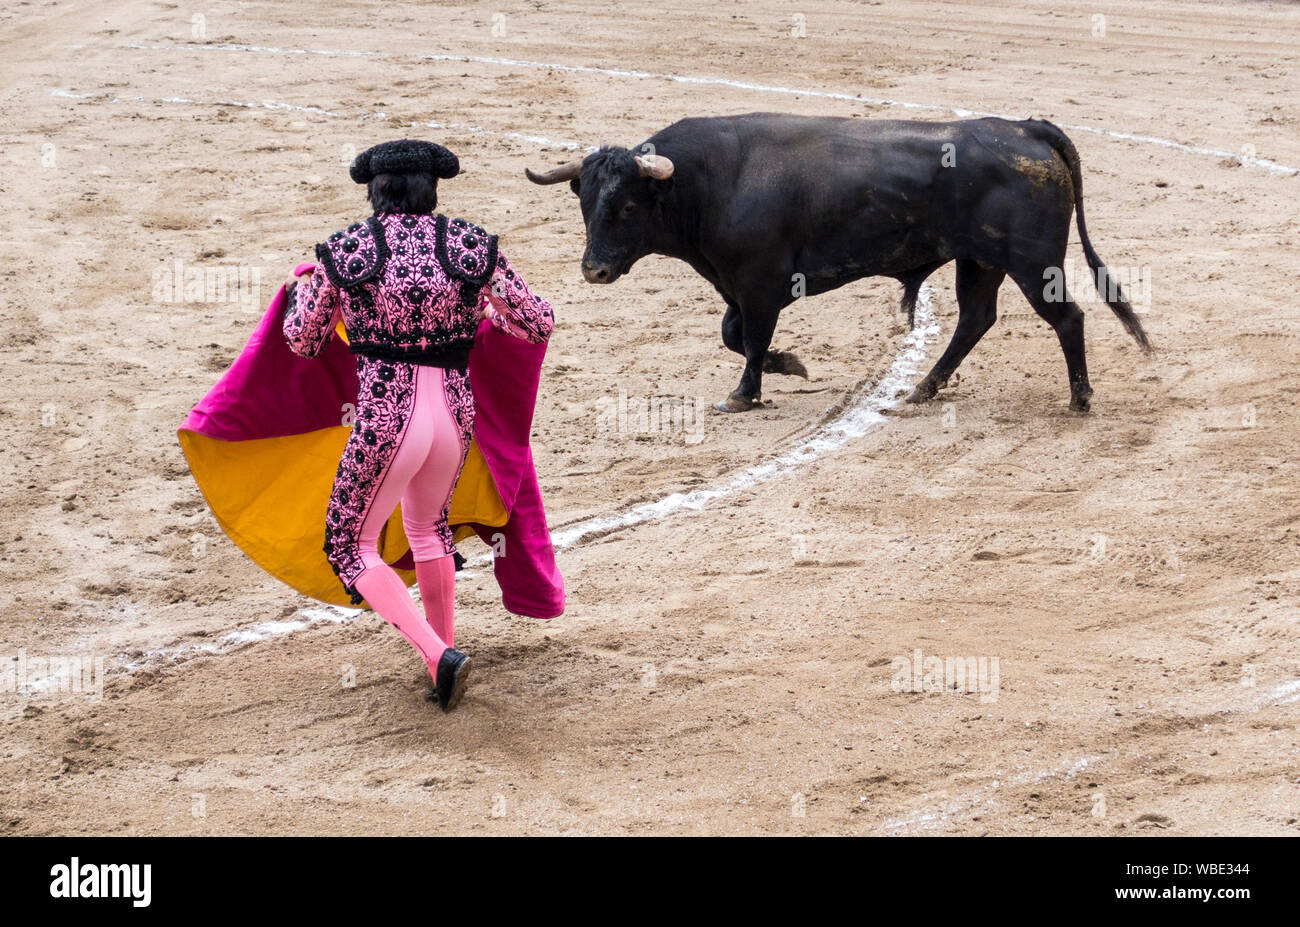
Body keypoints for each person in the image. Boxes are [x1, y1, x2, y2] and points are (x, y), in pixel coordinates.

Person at [282, 139, 554, 712]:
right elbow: (537, 322)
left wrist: (300, 291)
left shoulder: (349, 250)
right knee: (427, 529)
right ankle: (443, 662)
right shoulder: (470, 247)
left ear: (374, 192)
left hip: (387, 415)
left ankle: (438, 655)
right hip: (454, 415)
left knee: (349, 544)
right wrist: (484, 318)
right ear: (433, 190)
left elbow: (304, 342)